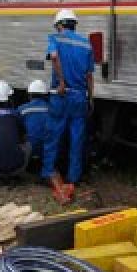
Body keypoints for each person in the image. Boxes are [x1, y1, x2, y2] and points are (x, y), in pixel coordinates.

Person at [41, 10, 95, 197]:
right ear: (74, 24)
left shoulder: (55, 38)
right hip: (80, 96)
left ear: (60, 25)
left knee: (54, 135)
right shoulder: (86, 43)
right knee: (77, 138)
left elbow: (54, 57)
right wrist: (91, 98)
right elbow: (89, 75)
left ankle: (49, 172)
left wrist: (62, 81)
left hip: (62, 95)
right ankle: (74, 177)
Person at [18, 79, 50, 172]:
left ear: (30, 95)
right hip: (47, 150)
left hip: (28, 150)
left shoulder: (21, 109)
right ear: (45, 95)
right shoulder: (52, 109)